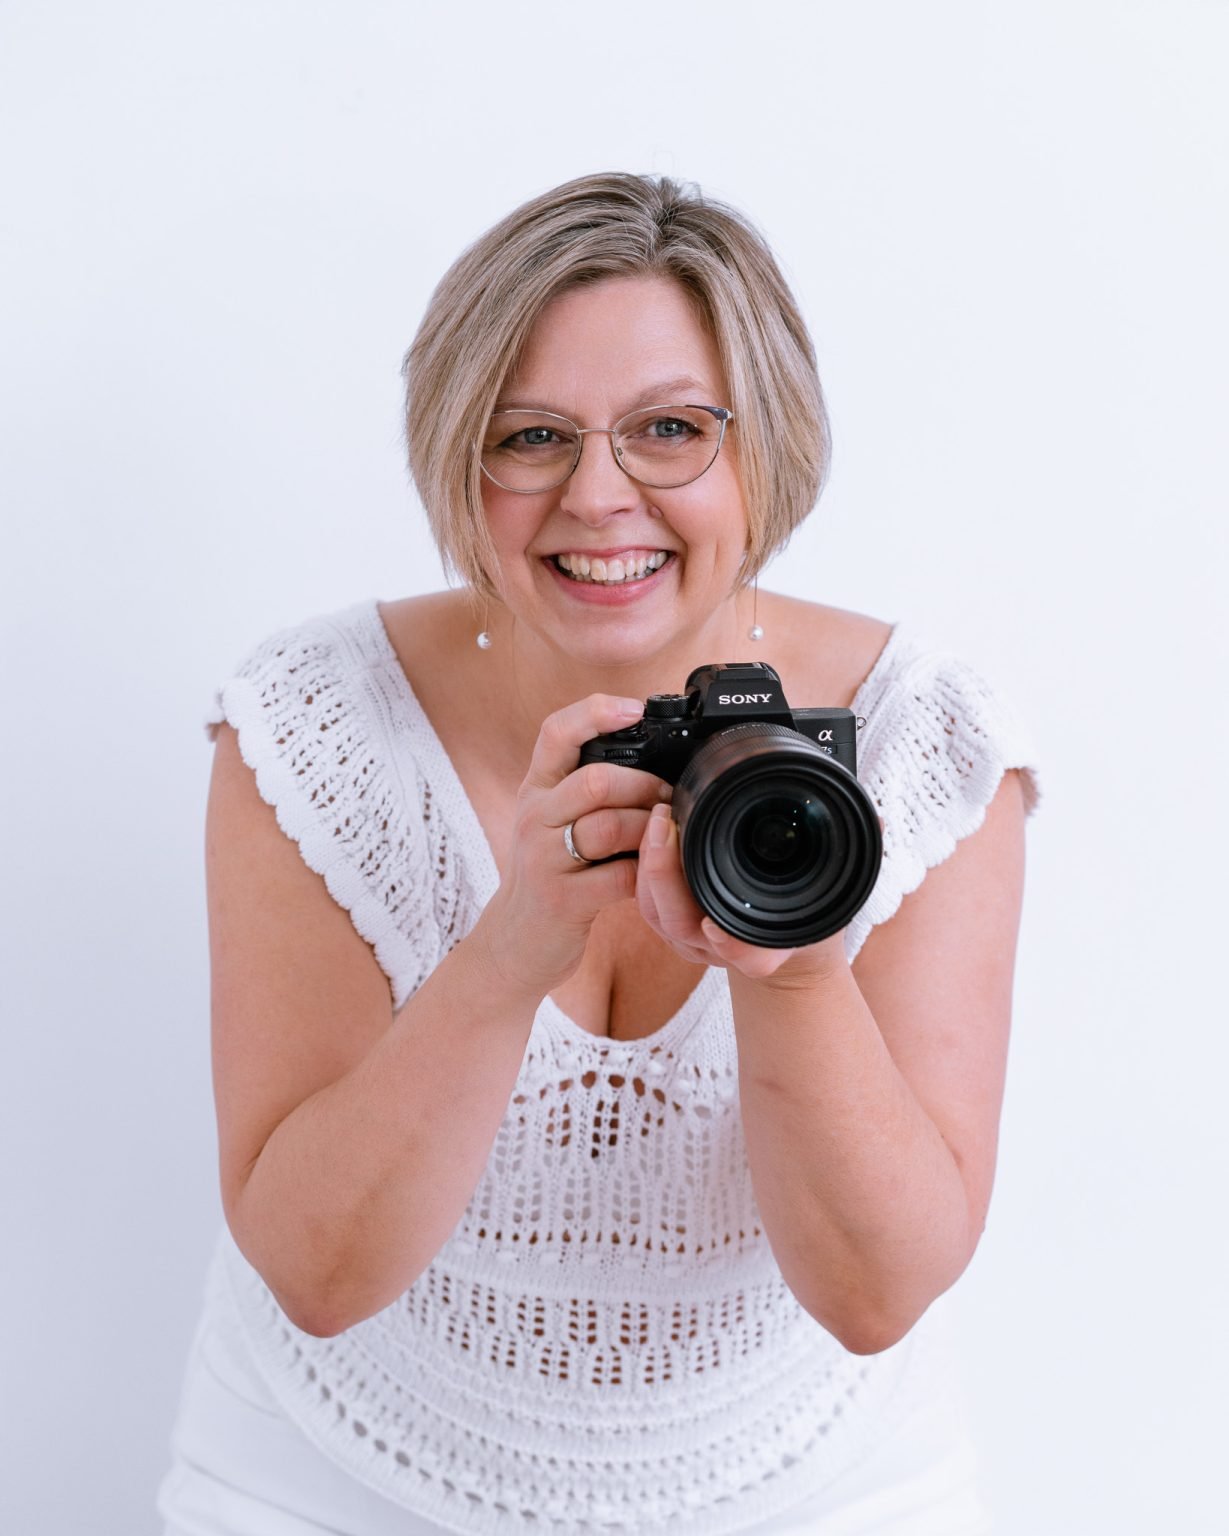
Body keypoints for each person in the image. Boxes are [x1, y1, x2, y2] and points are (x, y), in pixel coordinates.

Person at [157, 172, 1041, 1536]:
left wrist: (790, 972)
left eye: (670, 430)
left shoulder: (919, 737)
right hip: (333, 1484)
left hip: (807, 1489)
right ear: (461, 453)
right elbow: (319, 1275)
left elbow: (874, 1297)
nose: (596, 497)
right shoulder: (314, 720)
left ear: (766, 448)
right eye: (529, 438)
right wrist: (508, 948)